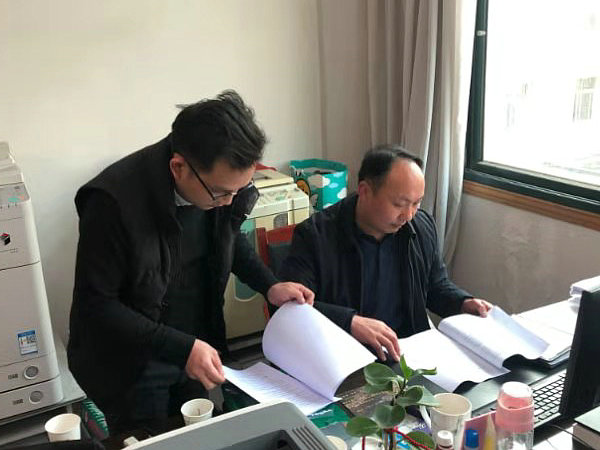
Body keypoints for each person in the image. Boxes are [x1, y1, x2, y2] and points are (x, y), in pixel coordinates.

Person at [68, 90, 314, 434]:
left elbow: (229, 241)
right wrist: (182, 348)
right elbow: (97, 305)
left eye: (238, 191)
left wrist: (269, 285)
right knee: (150, 438)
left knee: (197, 434)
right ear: (178, 167)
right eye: (222, 193)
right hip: (131, 362)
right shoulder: (112, 203)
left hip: (193, 343)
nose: (228, 201)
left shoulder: (217, 187)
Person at [280, 145, 491, 362]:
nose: (408, 215)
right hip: (342, 357)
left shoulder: (421, 227)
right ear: (364, 191)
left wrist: (463, 303)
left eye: (416, 203)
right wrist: (350, 322)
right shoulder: (315, 236)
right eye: (399, 204)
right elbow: (294, 309)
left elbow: (435, 286)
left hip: (407, 354)